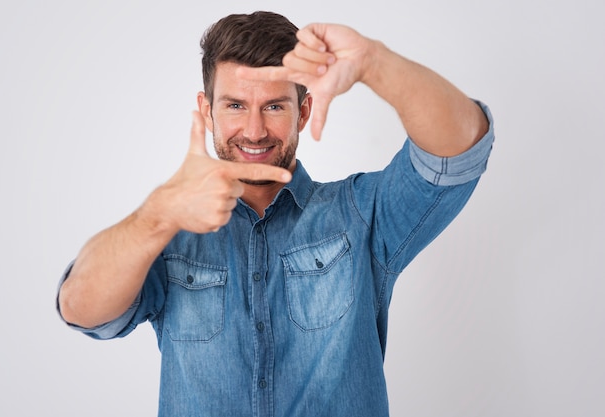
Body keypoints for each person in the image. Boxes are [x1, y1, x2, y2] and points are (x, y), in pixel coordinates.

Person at [57, 10, 494, 417]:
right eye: (234, 105)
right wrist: (159, 213)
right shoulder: (168, 232)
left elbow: (458, 152)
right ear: (206, 111)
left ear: (302, 111)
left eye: (273, 106)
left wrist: (373, 62)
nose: (253, 131)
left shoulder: (359, 215)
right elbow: (80, 309)